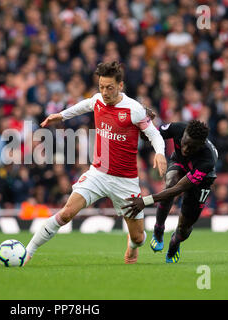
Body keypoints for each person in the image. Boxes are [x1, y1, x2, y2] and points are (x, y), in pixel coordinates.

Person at [25, 61, 167, 265]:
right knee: (66, 214)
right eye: (101, 87)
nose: (105, 92)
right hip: (98, 174)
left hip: (125, 181)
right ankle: (28, 251)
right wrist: (61, 115)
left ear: (120, 85)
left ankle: (132, 244)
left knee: (138, 237)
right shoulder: (98, 100)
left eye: (109, 87)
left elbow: (154, 135)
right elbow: (84, 105)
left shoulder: (134, 109)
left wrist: (160, 153)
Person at [122, 120, 218, 263]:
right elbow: (149, 135)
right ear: (184, 134)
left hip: (202, 181)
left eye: (191, 147)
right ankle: (158, 229)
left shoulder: (207, 160)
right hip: (180, 163)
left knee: (184, 228)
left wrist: (145, 200)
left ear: (200, 144)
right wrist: (144, 121)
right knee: (170, 182)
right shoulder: (178, 128)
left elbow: (178, 190)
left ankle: (175, 243)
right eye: (184, 142)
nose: (185, 149)